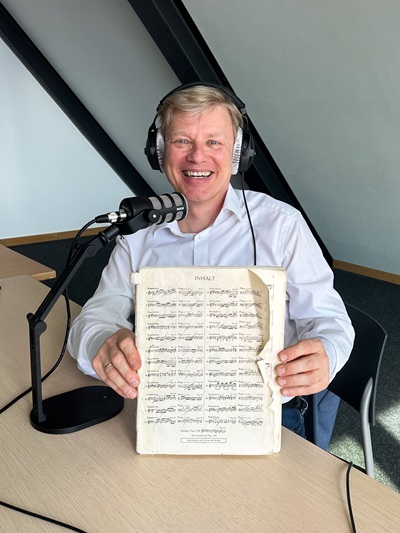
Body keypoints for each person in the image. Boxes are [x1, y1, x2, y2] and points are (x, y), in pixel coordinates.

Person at [68, 82, 354, 444]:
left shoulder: (282, 225)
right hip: (164, 410)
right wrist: (101, 342)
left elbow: (329, 321)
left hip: (266, 412)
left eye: (214, 142)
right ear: (159, 151)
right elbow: (94, 318)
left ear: (238, 154)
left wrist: (326, 352)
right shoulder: (139, 231)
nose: (197, 157)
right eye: (182, 141)